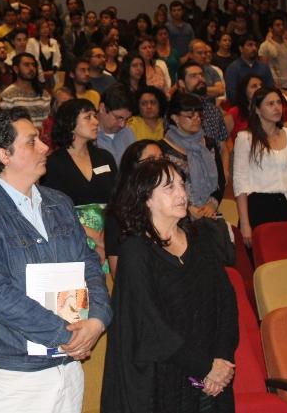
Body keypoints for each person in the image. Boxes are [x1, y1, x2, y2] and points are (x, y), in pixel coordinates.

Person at [0, 107, 111, 413]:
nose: (44, 148)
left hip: (68, 364)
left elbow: (89, 264)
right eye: (32, 142)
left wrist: (98, 319)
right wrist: (66, 334)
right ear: (4, 155)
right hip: (17, 375)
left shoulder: (60, 203)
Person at [102, 158, 237, 412]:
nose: (181, 194)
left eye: (181, 185)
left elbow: (226, 303)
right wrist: (206, 366)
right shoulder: (135, 251)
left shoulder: (202, 238)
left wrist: (223, 360)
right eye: (169, 188)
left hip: (212, 378)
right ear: (146, 199)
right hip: (161, 382)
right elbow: (150, 327)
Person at [43, 97, 118, 264]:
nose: (95, 122)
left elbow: (118, 201)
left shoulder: (105, 157)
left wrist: (107, 237)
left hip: (110, 235)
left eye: (95, 116)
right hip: (73, 236)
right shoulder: (53, 164)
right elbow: (53, 211)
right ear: (70, 124)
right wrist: (95, 237)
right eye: (88, 117)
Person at [233, 87, 287, 246]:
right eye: (270, 104)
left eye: (279, 102)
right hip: (258, 206)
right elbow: (240, 183)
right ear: (258, 110)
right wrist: (245, 224)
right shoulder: (245, 138)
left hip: (286, 206)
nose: (276, 107)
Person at [103, 139, 164, 276]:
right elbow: (118, 272)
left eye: (162, 158)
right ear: (133, 168)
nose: (160, 165)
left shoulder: (171, 207)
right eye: (151, 159)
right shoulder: (118, 214)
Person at [160, 93, 225, 220]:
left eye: (199, 115)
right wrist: (188, 208)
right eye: (190, 115)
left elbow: (220, 181)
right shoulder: (162, 149)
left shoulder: (209, 144)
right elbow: (163, 189)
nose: (197, 119)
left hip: (209, 213)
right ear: (175, 118)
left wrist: (212, 204)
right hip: (177, 217)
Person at [0, 53, 52, 127]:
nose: (31, 68)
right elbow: (6, 125)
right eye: (26, 65)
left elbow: (46, 123)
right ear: (16, 69)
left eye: (33, 65)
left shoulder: (43, 94)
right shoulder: (7, 95)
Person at [95, 84, 137, 165]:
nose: (123, 125)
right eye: (119, 118)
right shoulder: (87, 135)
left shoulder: (128, 133)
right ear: (102, 108)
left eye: (127, 119)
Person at [224, 35, 273, 101]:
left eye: (255, 45)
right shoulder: (233, 69)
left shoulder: (264, 67)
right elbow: (231, 94)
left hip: (263, 105)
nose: (254, 48)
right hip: (242, 106)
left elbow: (270, 89)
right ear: (241, 49)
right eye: (250, 45)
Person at [259, 16, 287, 93]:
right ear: (271, 29)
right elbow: (264, 70)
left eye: (282, 25)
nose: (281, 27)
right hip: (275, 86)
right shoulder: (265, 46)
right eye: (277, 25)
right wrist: (274, 86)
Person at [226, 74, 265, 141]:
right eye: (254, 86)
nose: (259, 88)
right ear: (244, 91)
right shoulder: (234, 112)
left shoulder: (268, 109)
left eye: (261, 85)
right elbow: (224, 139)